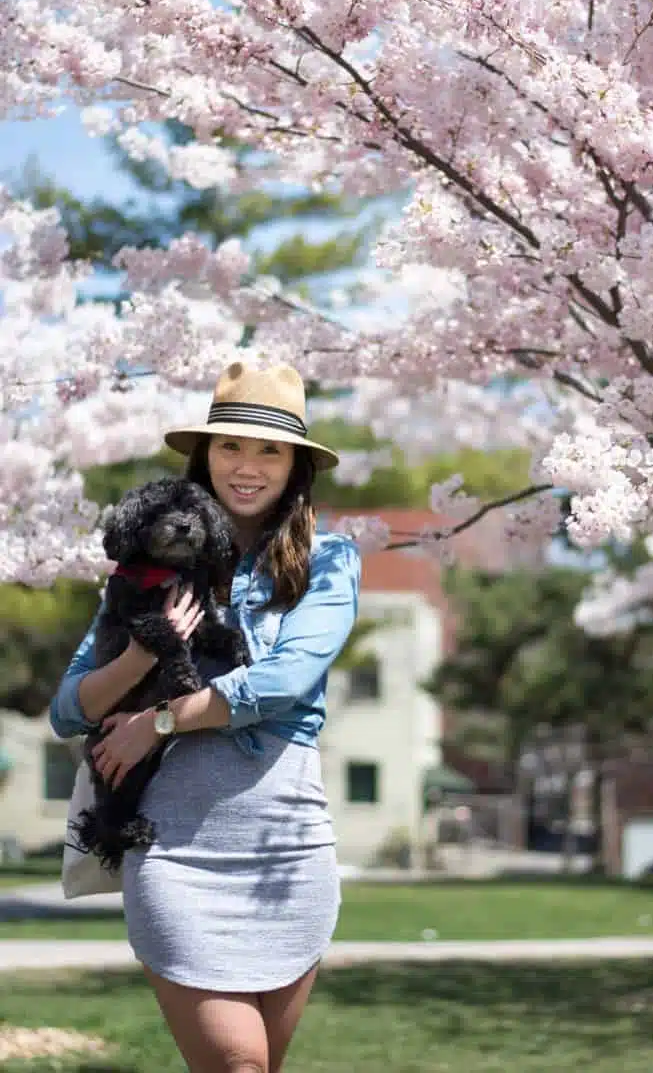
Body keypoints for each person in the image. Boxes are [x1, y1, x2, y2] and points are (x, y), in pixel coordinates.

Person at [50, 361, 361, 1073]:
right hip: (174, 850)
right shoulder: (145, 563)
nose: (248, 466)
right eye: (231, 446)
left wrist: (159, 720)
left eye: (269, 450)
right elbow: (68, 707)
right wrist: (139, 657)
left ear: (295, 466)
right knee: (238, 1064)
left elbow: (284, 681)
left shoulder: (329, 560)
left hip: (288, 848)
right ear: (205, 454)